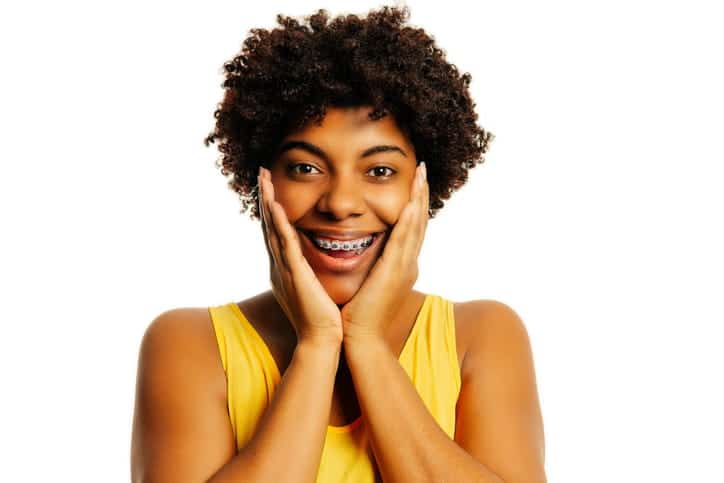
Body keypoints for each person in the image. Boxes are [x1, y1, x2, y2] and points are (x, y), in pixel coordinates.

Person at [131, 6, 546, 482]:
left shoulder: (482, 336)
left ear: (423, 184)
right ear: (262, 181)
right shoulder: (189, 344)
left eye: (380, 171)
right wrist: (318, 344)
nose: (341, 203)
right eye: (305, 168)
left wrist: (366, 341)